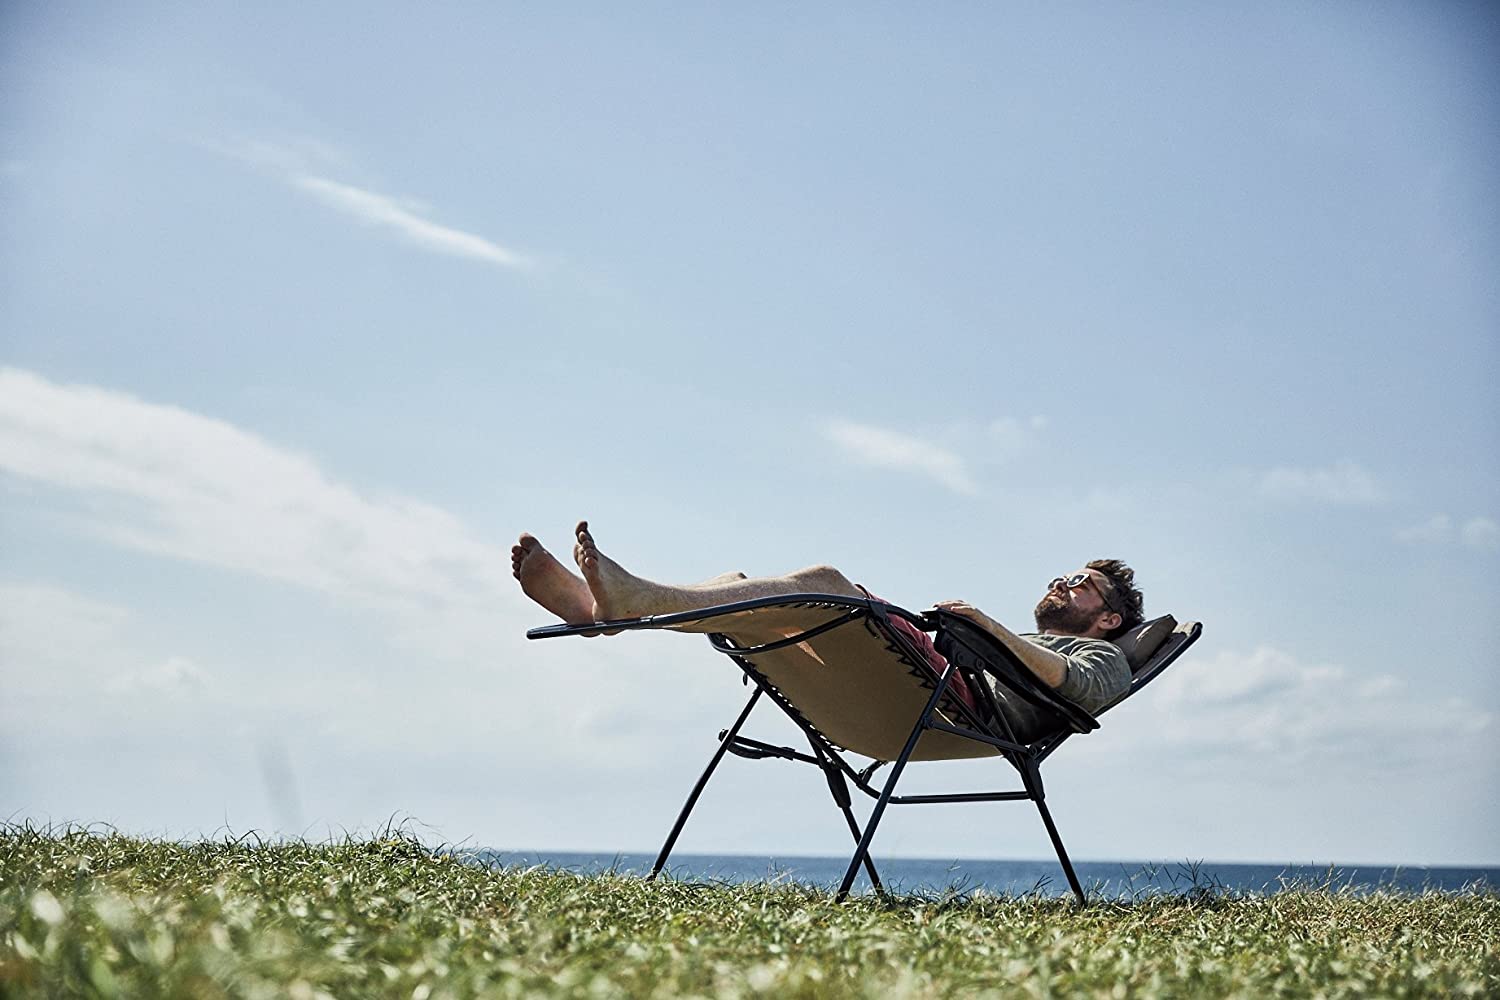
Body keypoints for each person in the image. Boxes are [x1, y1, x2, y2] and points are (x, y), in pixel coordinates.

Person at [512, 521, 1145, 740]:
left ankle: (629, 606)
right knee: (748, 585)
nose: (1063, 583)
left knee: (826, 583)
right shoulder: (1026, 642)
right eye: (1064, 575)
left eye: (1082, 584)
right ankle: (609, 612)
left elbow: (1076, 686)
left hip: (949, 707)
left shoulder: (1102, 655)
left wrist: (984, 626)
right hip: (917, 692)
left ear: (1111, 618)